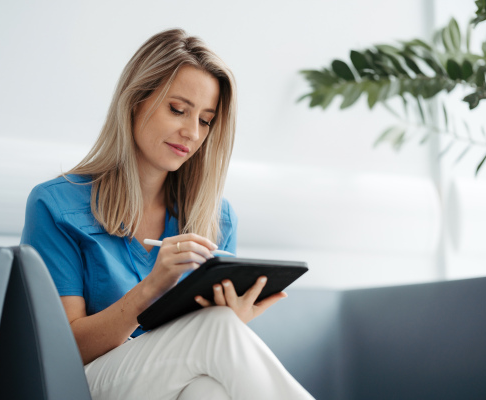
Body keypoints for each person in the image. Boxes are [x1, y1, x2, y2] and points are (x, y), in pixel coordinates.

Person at [21, 28, 314, 400]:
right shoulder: (56, 204)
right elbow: (61, 353)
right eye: (178, 109)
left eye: (206, 120)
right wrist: (152, 289)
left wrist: (233, 320)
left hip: (170, 381)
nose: (191, 132)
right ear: (136, 101)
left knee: (207, 390)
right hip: (85, 384)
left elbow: (204, 350)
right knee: (214, 332)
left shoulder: (217, 218)